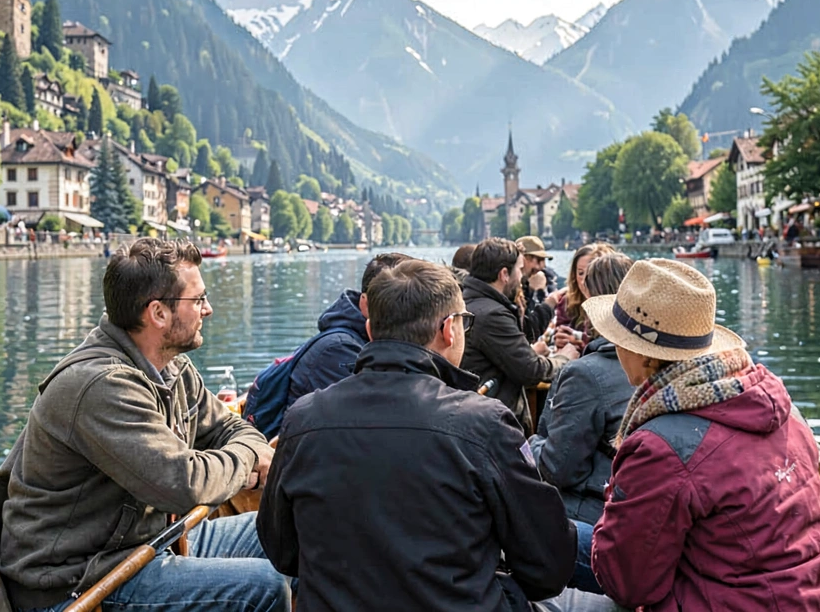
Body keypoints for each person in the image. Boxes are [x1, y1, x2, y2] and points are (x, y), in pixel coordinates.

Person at [258, 259, 618, 612]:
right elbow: (547, 567)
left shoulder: (303, 419)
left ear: (370, 330)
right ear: (450, 329)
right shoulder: (485, 423)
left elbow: (282, 550)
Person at [0, 238, 288, 612]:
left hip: (144, 546)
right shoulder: (102, 386)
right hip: (78, 582)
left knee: (294, 525)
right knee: (264, 588)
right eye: (198, 300)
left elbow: (229, 428)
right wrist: (249, 459)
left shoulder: (169, 365)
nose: (207, 309)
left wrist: (250, 447)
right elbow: (184, 484)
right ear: (158, 313)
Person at [586, 259, 820, 611]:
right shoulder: (775, 402)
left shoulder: (660, 447)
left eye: (616, 339)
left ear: (640, 353)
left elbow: (625, 583)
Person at [528, 252, 635, 524]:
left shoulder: (586, 375)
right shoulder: (669, 369)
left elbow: (557, 470)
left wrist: (530, 444)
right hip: (643, 511)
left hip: (604, 516)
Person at [462, 238, 578, 430]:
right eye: (519, 269)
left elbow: (518, 337)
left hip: (479, 415)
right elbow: (531, 370)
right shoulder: (492, 314)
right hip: (494, 422)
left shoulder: (472, 301)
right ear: (504, 274)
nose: (521, 276)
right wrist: (564, 358)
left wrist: (548, 304)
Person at [284, 252, 411, 408]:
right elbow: (373, 412)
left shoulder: (365, 341)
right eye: (397, 301)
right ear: (365, 303)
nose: (407, 311)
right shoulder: (338, 350)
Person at [553, 243, 618, 352]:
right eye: (580, 273)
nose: (584, 281)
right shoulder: (567, 302)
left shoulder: (619, 307)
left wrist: (582, 343)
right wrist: (561, 340)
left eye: (592, 273)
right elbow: (560, 333)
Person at [517, 236, 558, 341]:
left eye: (543, 260)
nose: (541, 266)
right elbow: (527, 330)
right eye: (539, 260)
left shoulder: (549, 279)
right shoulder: (512, 289)